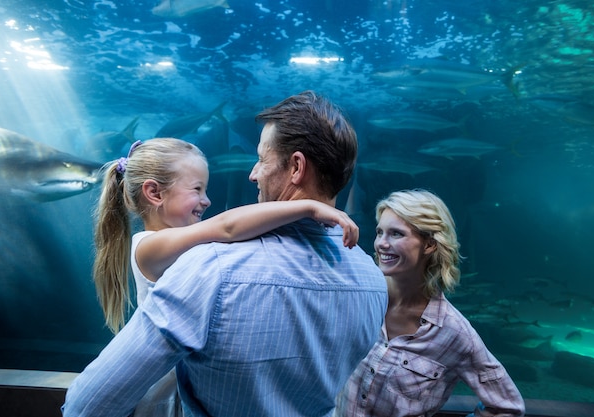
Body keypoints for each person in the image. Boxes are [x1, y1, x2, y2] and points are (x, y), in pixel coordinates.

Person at [63, 91, 388, 417]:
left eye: (261, 159)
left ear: (296, 168)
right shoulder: (374, 281)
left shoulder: (210, 270)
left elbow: (86, 407)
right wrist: (308, 207)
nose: (252, 174)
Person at [334, 189, 525, 417]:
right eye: (379, 232)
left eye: (396, 234)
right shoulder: (360, 295)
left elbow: (508, 407)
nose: (381, 244)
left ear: (429, 244)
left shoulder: (454, 332)